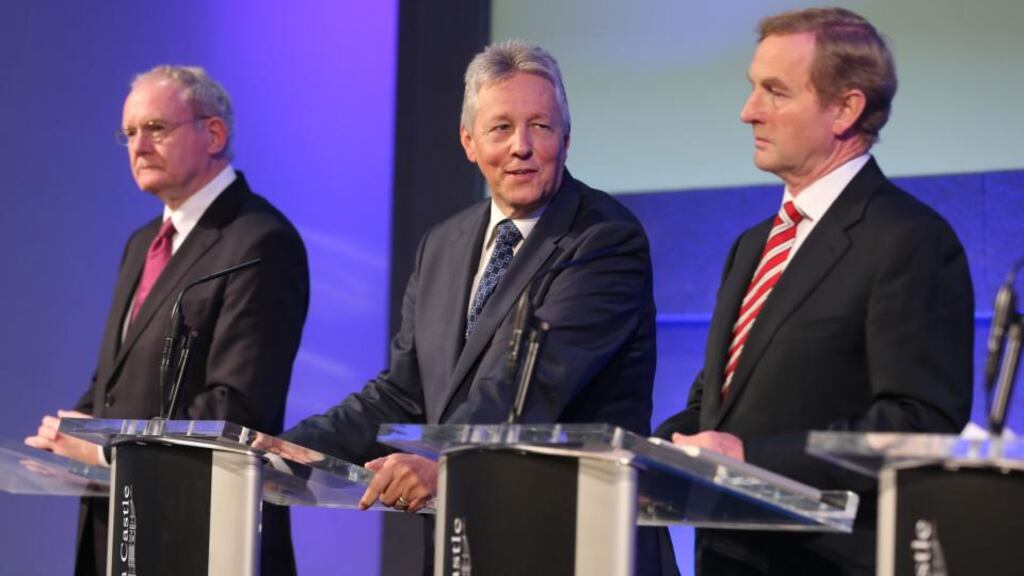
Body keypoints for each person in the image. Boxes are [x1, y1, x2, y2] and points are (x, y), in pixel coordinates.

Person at [275, 40, 676, 575]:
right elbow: (402, 391)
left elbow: (532, 384)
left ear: (567, 138)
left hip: (573, 545)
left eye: (540, 126)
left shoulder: (605, 239)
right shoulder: (442, 244)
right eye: (501, 128)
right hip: (467, 543)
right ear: (469, 140)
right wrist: (286, 451)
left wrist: (441, 459)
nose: (522, 147)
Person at [655, 7, 974, 575]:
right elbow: (718, 404)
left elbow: (917, 425)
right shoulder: (753, 244)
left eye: (774, 92)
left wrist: (752, 461)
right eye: (752, 88)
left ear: (845, 108)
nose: (748, 111)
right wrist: (646, 455)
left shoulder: (909, 241)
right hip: (729, 557)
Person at [24, 66, 308, 576]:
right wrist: (67, 435)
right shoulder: (142, 244)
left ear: (213, 134)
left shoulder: (260, 242)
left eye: (155, 128)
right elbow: (114, 380)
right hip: (120, 529)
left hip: (202, 532)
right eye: (129, 133)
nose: (138, 145)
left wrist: (107, 449)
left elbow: (237, 405)